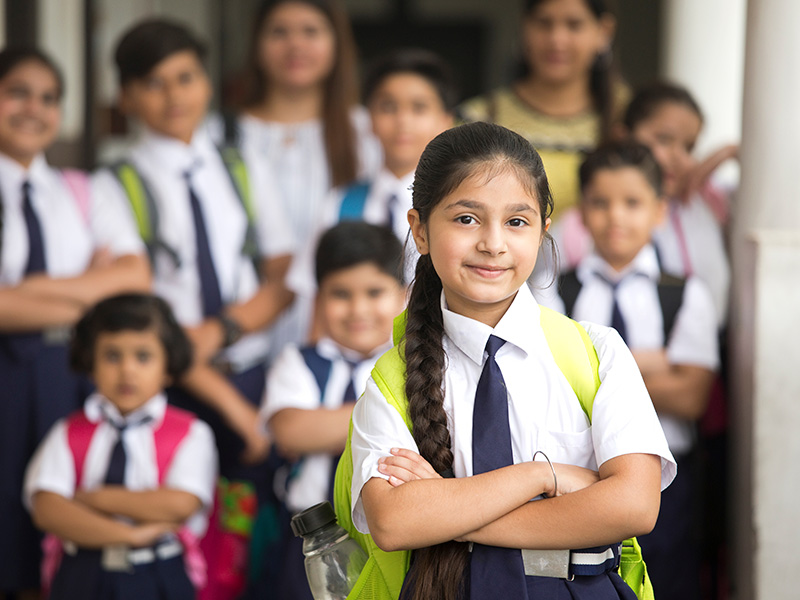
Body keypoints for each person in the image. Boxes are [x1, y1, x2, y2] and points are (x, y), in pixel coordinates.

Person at [342, 122, 675, 600]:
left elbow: (634, 507)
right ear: (419, 230)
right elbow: (395, 522)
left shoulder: (597, 352)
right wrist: (543, 476)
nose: (493, 243)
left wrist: (449, 510)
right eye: (466, 219)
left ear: (543, 230)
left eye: (517, 222)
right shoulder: (391, 379)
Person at [92, 20, 296, 597]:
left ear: (207, 82)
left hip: (250, 368)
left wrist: (221, 329)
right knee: (179, 531)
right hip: (168, 386)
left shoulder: (239, 164)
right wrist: (226, 398)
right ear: (127, 96)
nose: (174, 95)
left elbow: (283, 277)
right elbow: (137, 313)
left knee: (249, 531)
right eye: (154, 84)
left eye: (186, 77)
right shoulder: (115, 182)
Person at [0, 48, 149, 598]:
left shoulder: (86, 191)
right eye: (17, 91)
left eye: (48, 97)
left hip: (71, 372)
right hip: (4, 378)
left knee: (64, 511)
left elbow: (134, 280)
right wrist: (83, 297)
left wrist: (22, 296)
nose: (33, 108)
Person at [547, 141, 719, 600]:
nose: (616, 217)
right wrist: (655, 361)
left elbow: (691, 396)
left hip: (667, 480)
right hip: (577, 473)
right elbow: (549, 379)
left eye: (632, 203)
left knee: (668, 581)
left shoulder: (685, 294)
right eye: (600, 203)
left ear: (660, 211)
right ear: (581, 212)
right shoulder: (552, 291)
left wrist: (595, 368)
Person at [24, 293, 217, 600]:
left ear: (168, 365)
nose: (127, 370)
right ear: (90, 363)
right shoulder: (69, 432)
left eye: (143, 356)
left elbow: (179, 504)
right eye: (112, 356)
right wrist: (129, 535)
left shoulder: (192, 433)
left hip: (159, 574)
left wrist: (91, 498)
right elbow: (48, 509)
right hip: (82, 575)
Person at [256, 221, 406, 599]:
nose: (358, 309)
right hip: (309, 541)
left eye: (374, 292)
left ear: (403, 295)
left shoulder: (411, 362)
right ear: (318, 298)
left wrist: (328, 425)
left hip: (396, 539)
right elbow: (292, 430)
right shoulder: (298, 362)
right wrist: (393, 421)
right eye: (341, 294)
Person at [232, 0, 382, 353]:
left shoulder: (368, 133)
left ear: (336, 44)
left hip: (343, 336)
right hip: (241, 342)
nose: (295, 45)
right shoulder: (223, 136)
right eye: (279, 32)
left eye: (311, 31)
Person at [285, 48, 455, 317]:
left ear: (446, 121)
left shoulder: (457, 209)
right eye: (388, 106)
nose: (403, 121)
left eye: (419, 107)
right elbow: (317, 304)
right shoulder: (339, 204)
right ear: (369, 119)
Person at [459, 0, 626, 223]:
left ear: (604, 31)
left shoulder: (630, 119)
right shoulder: (475, 119)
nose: (557, 39)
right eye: (544, 23)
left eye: (574, 25)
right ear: (525, 27)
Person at [622, 82, 733, 325]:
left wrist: (730, 152)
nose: (679, 158)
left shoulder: (708, 203)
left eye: (689, 147)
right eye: (664, 140)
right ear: (623, 135)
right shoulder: (586, 220)